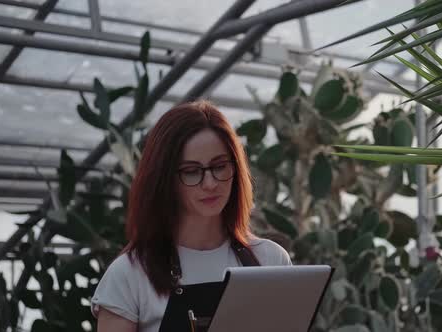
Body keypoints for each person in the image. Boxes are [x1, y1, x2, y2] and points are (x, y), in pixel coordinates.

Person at [91, 100, 292, 332]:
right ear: (164, 180)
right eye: (191, 171)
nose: (210, 183)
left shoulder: (271, 261)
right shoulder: (129, 275)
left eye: (219, 166)